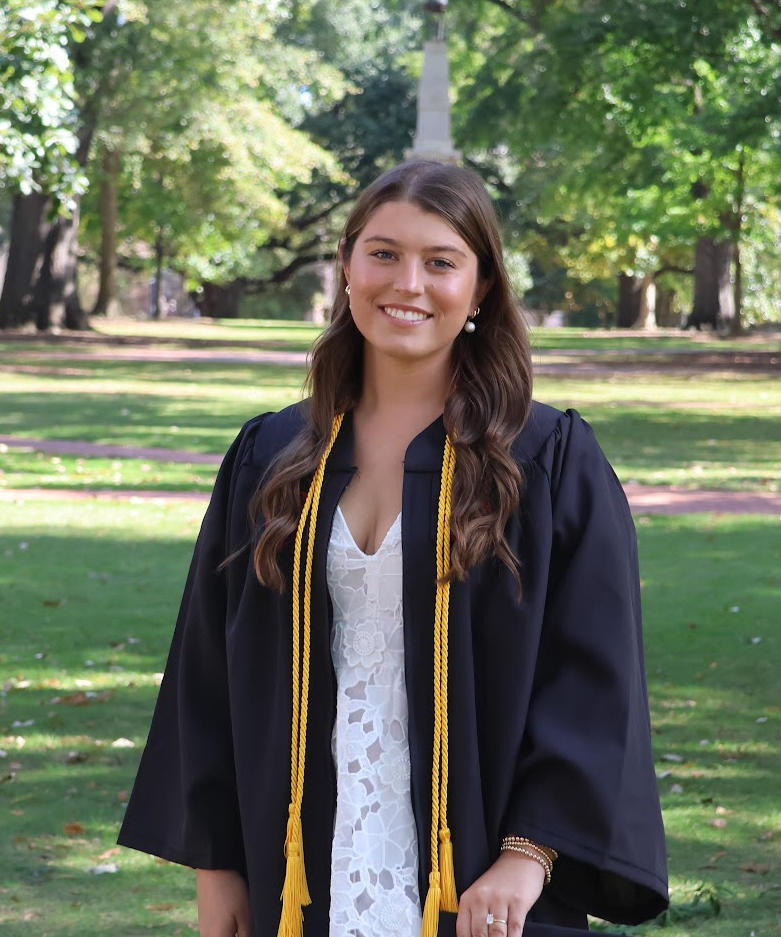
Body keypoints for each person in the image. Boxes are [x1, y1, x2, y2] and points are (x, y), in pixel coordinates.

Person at [118, 160, 668, 937]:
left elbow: (593, 678)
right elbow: (206, 670)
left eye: (440, 262)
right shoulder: (272, 456)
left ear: (480, 288)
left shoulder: (545, 461)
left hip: (479, 873)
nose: (407, 283)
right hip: (303, 862)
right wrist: (218, 864)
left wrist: (527, 855)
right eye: (383, 253)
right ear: (346, 265)